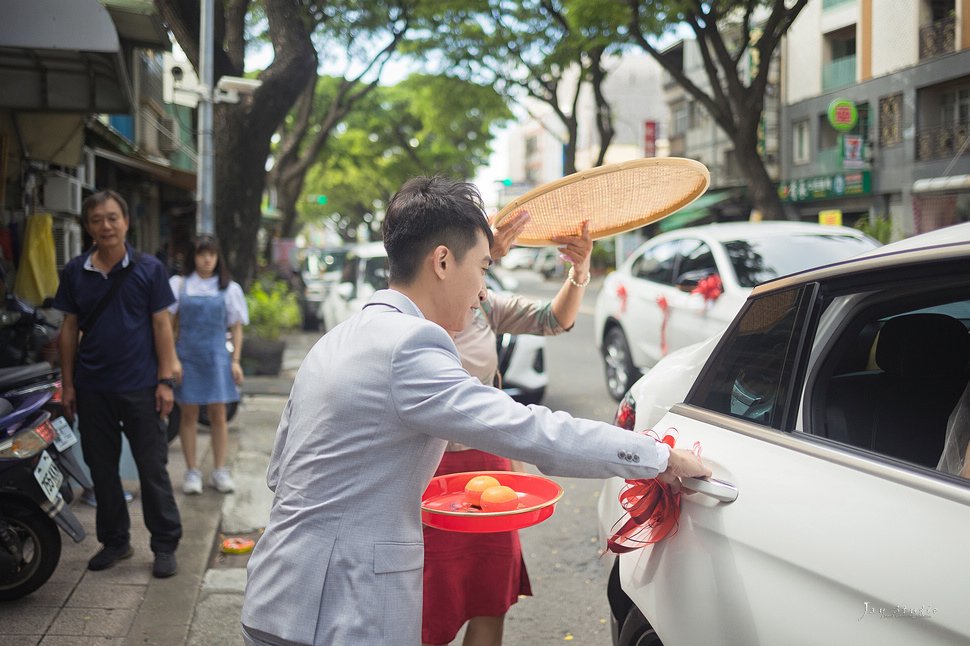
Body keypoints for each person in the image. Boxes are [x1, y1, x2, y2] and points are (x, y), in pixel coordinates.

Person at [240, 176, 709, 646]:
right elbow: (533, 430)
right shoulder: (409, 344)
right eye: (484, 268)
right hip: (340, 610)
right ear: (442, 261)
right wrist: (658, 457)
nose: (484, 289)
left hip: (277, 595)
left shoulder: (338, 339)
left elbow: (280, 472)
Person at [421, 211, 593, 646]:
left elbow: (553, 320)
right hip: (427, 468)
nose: (486, 271)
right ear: (441, 259)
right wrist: (482, 258)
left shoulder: (485, 306)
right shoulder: (410, 313)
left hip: (490, 465)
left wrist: (579, 272)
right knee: (426, 602)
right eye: (479, 261)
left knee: (489, 599)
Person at [54, 189, 182, 579]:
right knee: (102, 468)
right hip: (93, 388)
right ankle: (115, 541)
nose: (106, 226)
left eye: (112, 217)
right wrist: (68, 384)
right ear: (88, 226)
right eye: (97, 219)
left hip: (141, 386)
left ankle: (163, 545)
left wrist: (165, 382)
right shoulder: (76, 271)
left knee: (152, 468)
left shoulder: (149, 269)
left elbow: (162, 325)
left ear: (125, 221)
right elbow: (68, 330)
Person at [168, 234, 248, 495]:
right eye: (202, 254)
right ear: (193, 257)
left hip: (216, 358)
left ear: (217, 257)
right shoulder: (180, 285)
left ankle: (219, 470)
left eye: (211, 254)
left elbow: (236, 328)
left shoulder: (229, 288)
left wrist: (235, 360)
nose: (206, 259)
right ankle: (192, 471)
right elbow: (167, 327)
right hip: (187, 357)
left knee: (219, 415)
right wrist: (172, 359)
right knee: (188, 414)